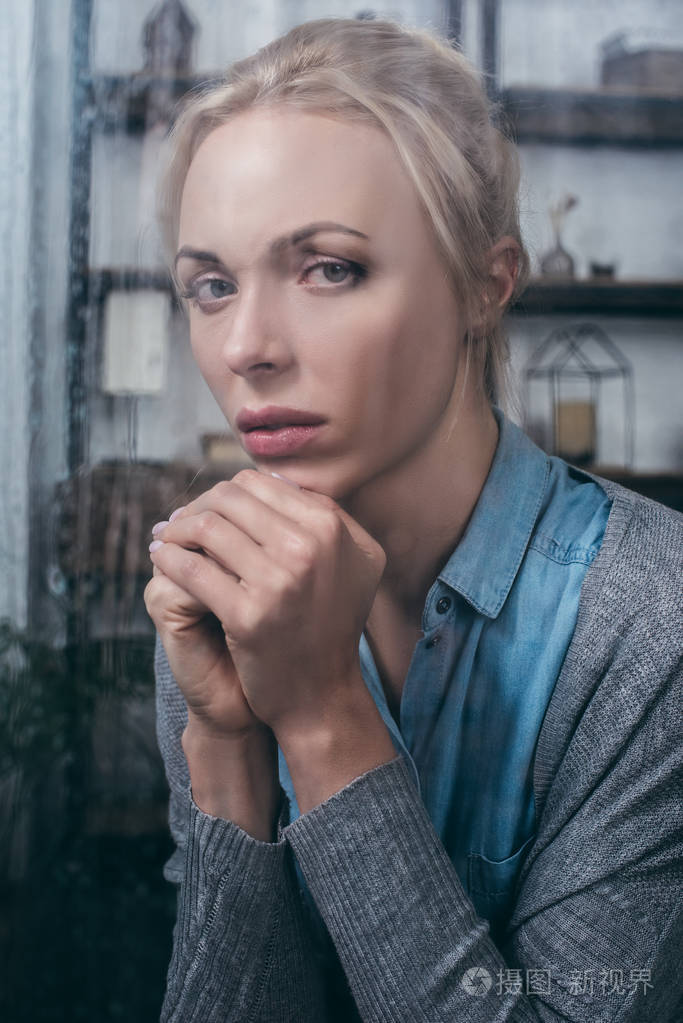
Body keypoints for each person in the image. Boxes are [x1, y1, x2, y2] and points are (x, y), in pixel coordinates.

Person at [144, 17, 682, 1023]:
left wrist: (320, 713)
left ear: (485, 284)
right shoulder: (216, 597)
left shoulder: (655, 619)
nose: (246, 346)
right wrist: (225, 755)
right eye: (210, 285)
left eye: (328, 268)